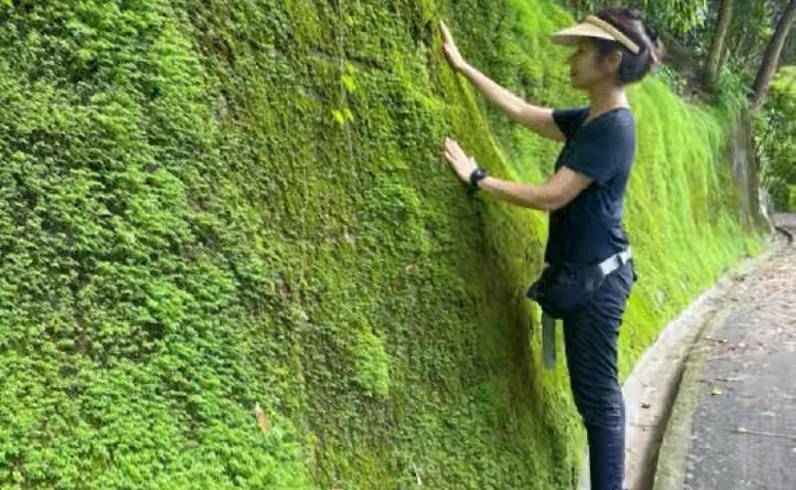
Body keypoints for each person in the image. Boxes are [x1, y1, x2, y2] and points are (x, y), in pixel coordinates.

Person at [440, 8, 664, 490]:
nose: (572, 61)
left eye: (582, 52)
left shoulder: (613, 128)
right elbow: (523, 113)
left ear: (609, 62)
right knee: (595, 398)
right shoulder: (592, 118)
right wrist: (463, 67)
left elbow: (552, 195)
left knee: (598, 402)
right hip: (588, 274)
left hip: (598, 281)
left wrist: (479, 179)